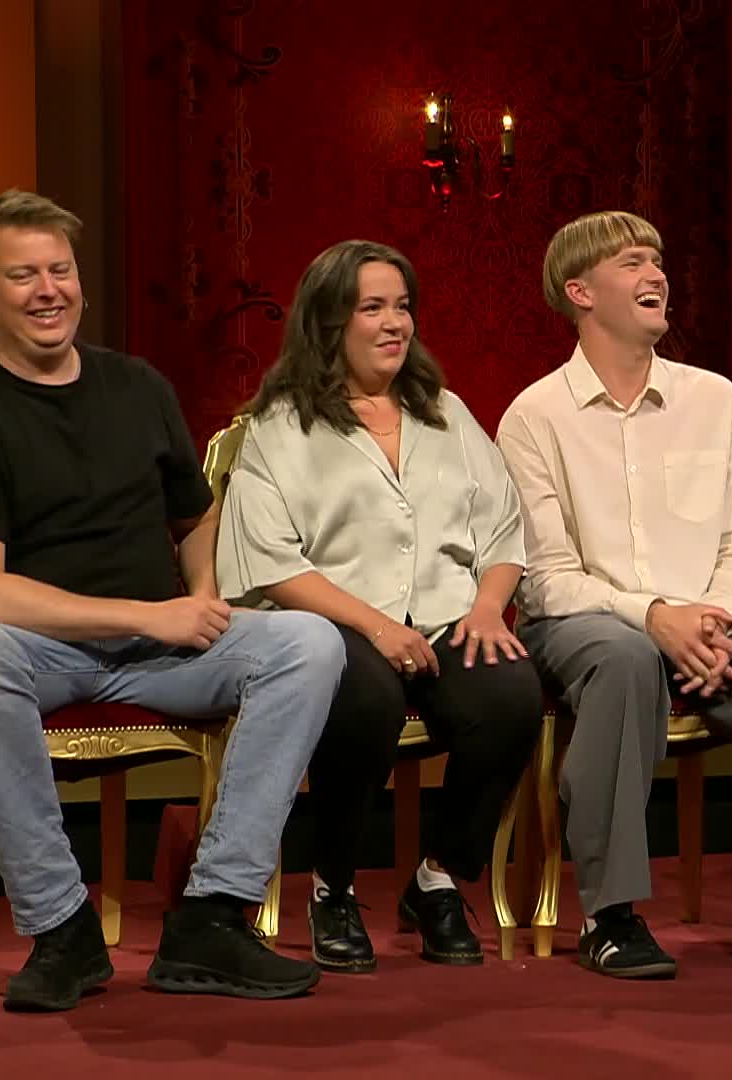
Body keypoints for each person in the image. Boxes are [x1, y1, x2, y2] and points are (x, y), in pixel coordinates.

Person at [0, 189, 342, 1011]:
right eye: (23, 275)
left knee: (309, 643)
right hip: (38, 655)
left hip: (159, 653)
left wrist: (202, 595)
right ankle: (62, 931)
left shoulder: (137, 386)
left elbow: (195, 516)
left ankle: (212, 915)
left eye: (60, 270)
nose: (48, 290)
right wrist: (148, 614)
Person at [495, 210, 732, 978]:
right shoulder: (534, 417)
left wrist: (710, 619)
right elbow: (547, 577)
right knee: (626, 658)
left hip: (712, 620)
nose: (656, 275)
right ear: (579, 291)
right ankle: (610, 915)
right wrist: (654, 617)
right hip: (587, 620)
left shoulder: (713, 399)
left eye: (658, 261)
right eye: (632, 263)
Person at [216, 240, 542, 971]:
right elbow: (269, 562)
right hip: (336, 625)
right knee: (364, 698)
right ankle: (332, 886)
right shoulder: (280, 427)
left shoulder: (446, 414)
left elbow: (503, 528)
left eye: (402, 307)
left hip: (448, 617)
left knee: (511, 695)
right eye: (373, 308)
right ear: (330, 320)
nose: (395, 323)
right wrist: (375, 626)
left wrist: (489, 608)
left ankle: (437, 880)